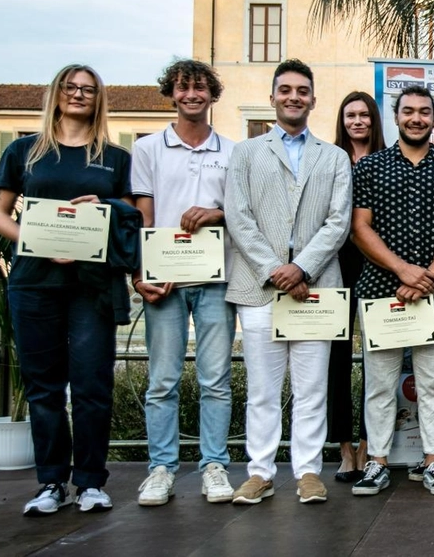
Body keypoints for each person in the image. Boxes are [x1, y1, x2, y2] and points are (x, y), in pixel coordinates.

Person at [0, 64, 134, 515]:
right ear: (56, 93)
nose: (78, 95)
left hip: (92, 286)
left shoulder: (113, 157)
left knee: (92, 384)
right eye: (70, 87)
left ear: (98, 99)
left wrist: (105, 206)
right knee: (43, 387)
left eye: (87, 90)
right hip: (34, 282)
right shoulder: (24, 152)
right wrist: (36, 241)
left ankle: (91, 481)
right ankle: (51, 482)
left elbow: (130, 216)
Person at [224, 58, 352, 505]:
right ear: (273, 96)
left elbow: (338, 222)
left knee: (312, 387)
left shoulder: (334, 157)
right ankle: (259, 472)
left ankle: (308, 472)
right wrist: (275, 269)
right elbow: (238, 219)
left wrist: (303, 269)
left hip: (316, 288)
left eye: (302, 90)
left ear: (313, 100)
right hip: (260, 289)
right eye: (286, 89)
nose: (294, 97)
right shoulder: (246, 153)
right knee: (262, 388)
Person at [349, 85, 434, 497]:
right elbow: (359, 227)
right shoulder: (370, 167)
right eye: (408, 112)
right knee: (380, 384)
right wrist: (403, 271)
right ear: (396, 117)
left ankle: (433, 462)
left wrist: (429, 278)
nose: (416, 118)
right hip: (382, 292)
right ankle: (377, 463)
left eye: (424, 112)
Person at [132, 60, 238, 506]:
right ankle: (161, 469)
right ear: (171, 94)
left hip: (216, 278)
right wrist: (140, 275)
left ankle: (214, 465)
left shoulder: (233, 152)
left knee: (216, 378)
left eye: (200, 88)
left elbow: (244, 215)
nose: (192, 95)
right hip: (165, 280)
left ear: (213, 95)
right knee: (162, 380)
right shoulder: (148, 149)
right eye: (183, 88)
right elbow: (143, 216)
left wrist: (217, 213)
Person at [328, 91, 385, 483]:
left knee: (377, 359)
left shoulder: (387, 160)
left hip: (378, 263)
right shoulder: (329, 159)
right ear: (342, 120)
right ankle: (344, 448)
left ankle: (369, 443)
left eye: (365, 114)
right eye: (351, 115)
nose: (358, 121)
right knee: (335, 357)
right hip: (335, 265)